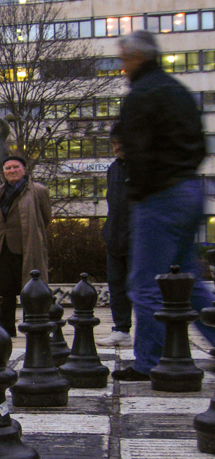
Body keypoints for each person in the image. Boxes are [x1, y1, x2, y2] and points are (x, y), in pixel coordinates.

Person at [112, 30, 215, 381]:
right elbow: (201, 146)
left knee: (145, 283)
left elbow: (137, 151)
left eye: (123, 59)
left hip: (160, 197)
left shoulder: (142, 95)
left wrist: (139, 190)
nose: (122, 66)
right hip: (190, 190)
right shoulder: (179, 90)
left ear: (137, 58)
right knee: (188, 280)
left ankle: (149, 361)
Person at [0, 156, 52, 336]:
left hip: (26, 247)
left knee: (30, 288)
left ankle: (33, 326)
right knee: (3, 291)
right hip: (1, 248)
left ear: (24, 170)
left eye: (16, 167)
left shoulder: (38, 191)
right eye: (7, 168)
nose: (12, 170)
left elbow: (45, 219)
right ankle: (7, 328)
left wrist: (32, 234)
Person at [96, 122, 132, 348]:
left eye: (121, 143)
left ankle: (155, 334)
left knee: (142, 288)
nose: (117, 147)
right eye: (114, 143)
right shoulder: (114, 168)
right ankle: (121, 329)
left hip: (137, 237)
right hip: (115, 236)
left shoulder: (143, 166)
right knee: (117, 285)